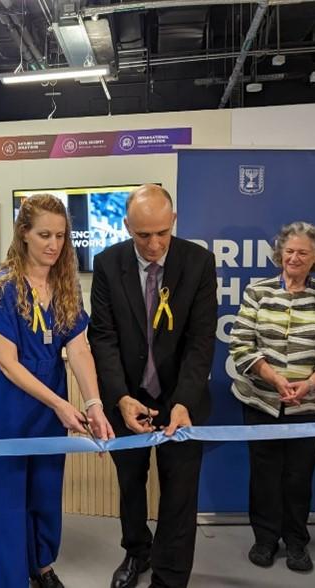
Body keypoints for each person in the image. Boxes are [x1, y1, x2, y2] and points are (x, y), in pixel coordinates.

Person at [0, 193, 114, 588]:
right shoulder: (3, 285)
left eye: (60, 236)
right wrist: (60, 404)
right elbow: (5, 362)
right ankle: (11, 579)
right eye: (44, 235)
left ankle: (40, 565)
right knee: (6, 503)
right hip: (9, 406)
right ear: (23, 235)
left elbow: (79, 348)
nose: (54, 245)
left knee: (44, 493)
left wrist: (94, 404)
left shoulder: (66, 283)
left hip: (50, 406)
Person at [89, 183, 217, 588]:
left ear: (173, 221)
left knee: (179, 492)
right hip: (128, 399)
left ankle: (170, 574)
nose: (154, 243)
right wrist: (120, 398)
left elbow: (201, 341)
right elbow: (103, 337)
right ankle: (137, 552)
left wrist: (184, 401)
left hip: (182, 399)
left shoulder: (198, 262)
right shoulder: (107, 264)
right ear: (127, 226)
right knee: (130, 484)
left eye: (162, 232)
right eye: (143, 235)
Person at [229, 222, 315, 572]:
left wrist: (311, 383)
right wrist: (273, 378)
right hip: (261, 400)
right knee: (264, 473)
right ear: (279, 253)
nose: (294, 257)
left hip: (310, 404)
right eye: (289, 251)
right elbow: (240, 343)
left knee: (299, 475)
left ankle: (297, 542)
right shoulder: (258, 292)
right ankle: (265, 540)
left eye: (303, 252)